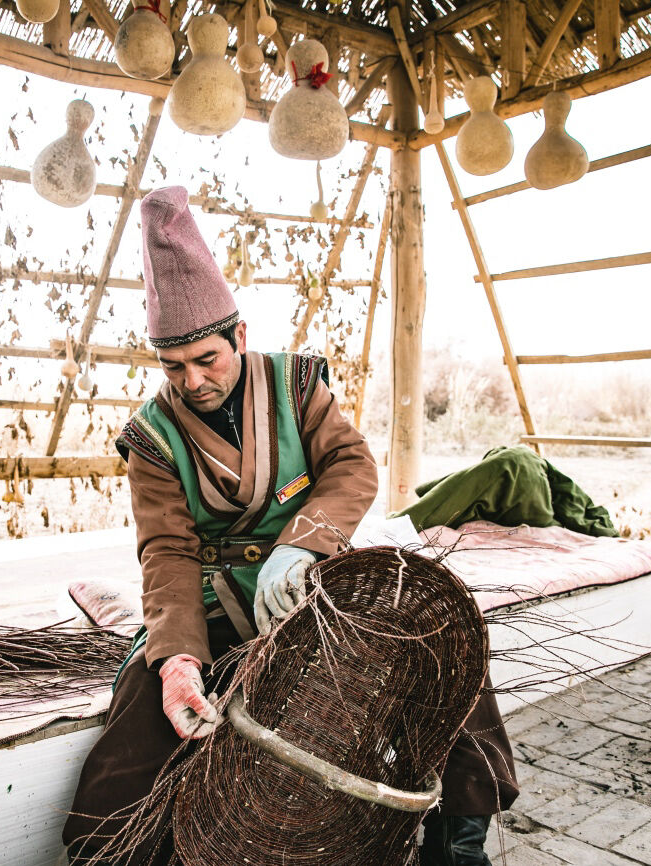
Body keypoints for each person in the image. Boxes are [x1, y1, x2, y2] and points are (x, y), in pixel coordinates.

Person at [62, 186, 517, 866]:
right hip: (213, 607)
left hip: (313, 580)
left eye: (206, 360)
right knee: (131, 747)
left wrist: (299, 546)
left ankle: (457, 842)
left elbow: (351, 464)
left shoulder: (296, 387)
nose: (192, 381)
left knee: (438, 643)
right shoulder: (151, 439)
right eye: (173, 366)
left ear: (239, 338)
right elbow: (167, 553)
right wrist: (180, 662)